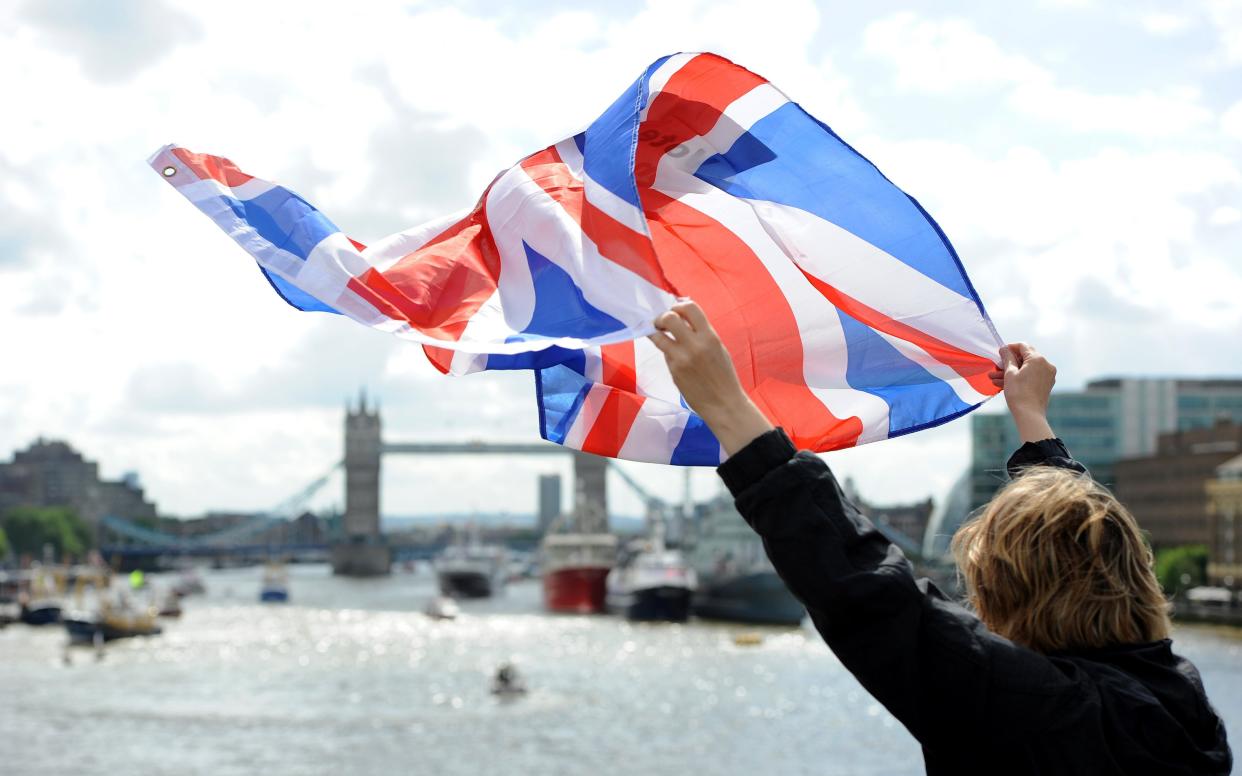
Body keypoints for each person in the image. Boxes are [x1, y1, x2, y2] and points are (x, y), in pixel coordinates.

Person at [649, 301, 1231, 776]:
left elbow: (868, 593)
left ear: (1010, 592)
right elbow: (1086, 540)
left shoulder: (1033, 710)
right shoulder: (1181, 703)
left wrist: (727, 406)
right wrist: (1033, 422)